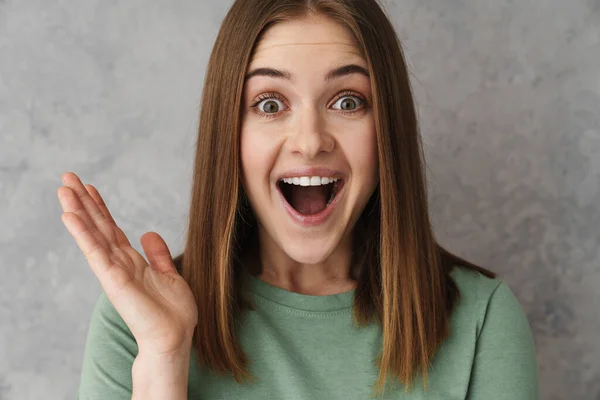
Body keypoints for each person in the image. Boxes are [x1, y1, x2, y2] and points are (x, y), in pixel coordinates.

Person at [57, 0, 540, 399]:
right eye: (270, 104)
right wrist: (164, 360)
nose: (310, 141)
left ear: (387, 128)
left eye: (347, 101)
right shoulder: (138, 324)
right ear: (229, 134)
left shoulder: (482, 320)